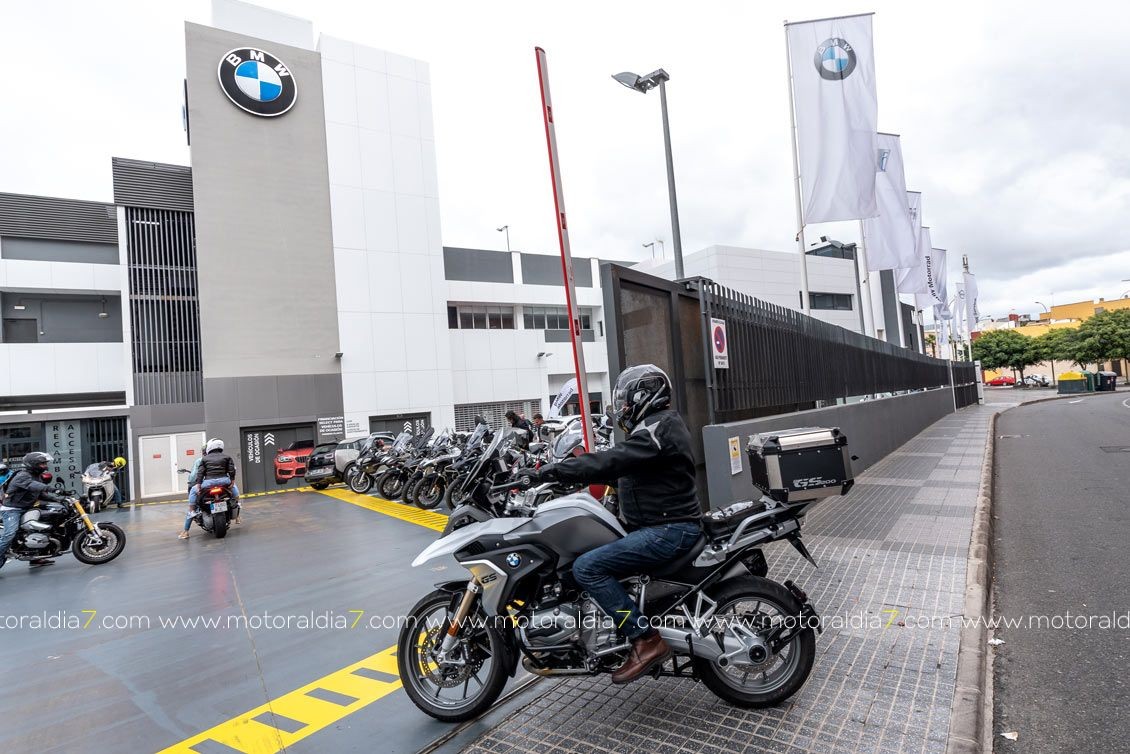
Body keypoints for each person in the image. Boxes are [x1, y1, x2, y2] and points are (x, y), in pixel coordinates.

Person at [527, 364, 702, 684]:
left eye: (626, 400)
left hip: (668, 531)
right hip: (661, 526)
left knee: (587, 568)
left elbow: (615, 459)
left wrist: (554, 471)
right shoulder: (656, 428)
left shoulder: (658, 427)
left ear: (644, 396)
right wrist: (575, 480)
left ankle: (645, 638)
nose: (623, 408)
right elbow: (629, 470)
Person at [0, 452, 64, 570]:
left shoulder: (36, 476)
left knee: (41, 527)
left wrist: (58, 499)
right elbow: (32, 485)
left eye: (45, 463)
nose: (45, 466)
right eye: (42, 464)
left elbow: (40, 494)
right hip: (12, 509)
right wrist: (53, 489)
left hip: (27, 507)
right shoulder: (23, 475)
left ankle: (36, 557)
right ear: (33, 464)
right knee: (10, 534)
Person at [180, 438, 239, 539]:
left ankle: (190, 517)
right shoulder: (227, 457)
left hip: (209, 482)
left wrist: (199, 485)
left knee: (193, 491)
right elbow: (231, 470)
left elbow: (200, 473)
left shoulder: (203, 459)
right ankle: (237, 506)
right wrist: (232, 480)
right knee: (233, 488)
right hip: (224, 481)